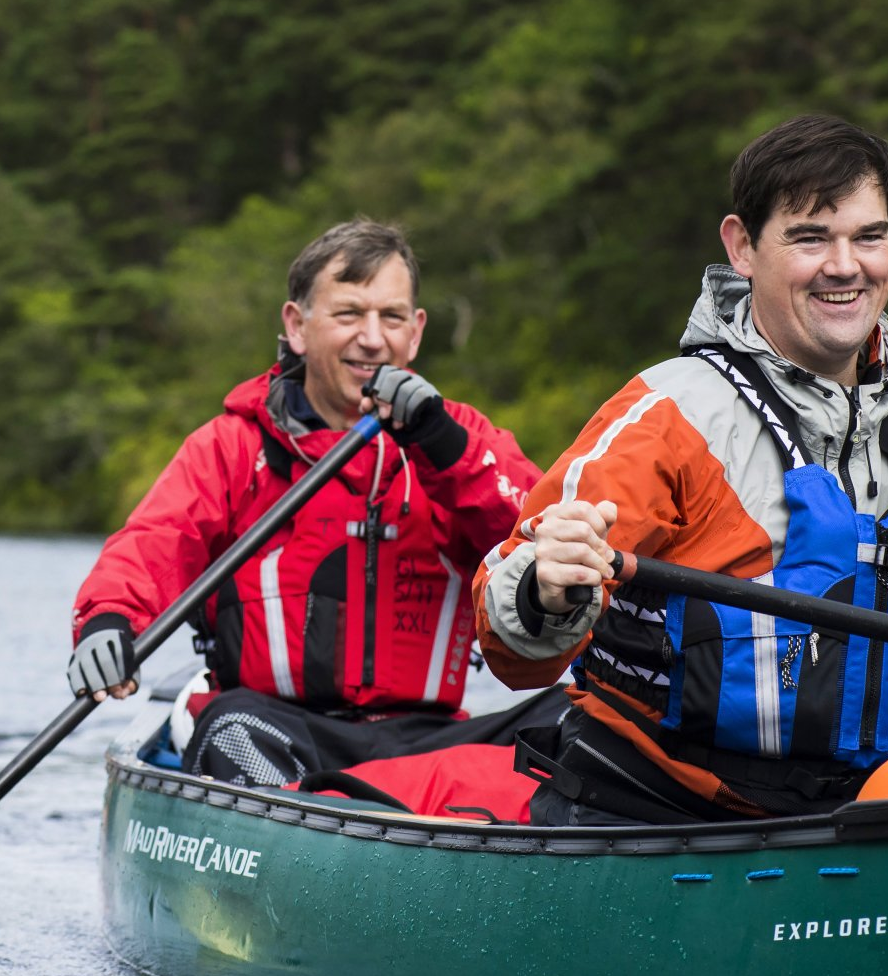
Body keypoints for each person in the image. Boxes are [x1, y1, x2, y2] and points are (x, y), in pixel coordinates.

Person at [471, 115, 888, 826]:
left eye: (869, 237)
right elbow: (509, 641)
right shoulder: (666, 418)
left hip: (846, 823)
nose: (845, 265)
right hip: (644, 811)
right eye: (811, 238)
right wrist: (548, 590)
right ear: (742, 247)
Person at [67, 219, 556, 787]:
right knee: (230, 731)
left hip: (427, 739)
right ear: (297, 326)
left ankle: (392, 814)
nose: (372, 338)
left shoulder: (462, 440)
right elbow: (153, 544)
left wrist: (444, 447)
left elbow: (543, 537)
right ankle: (315, 818)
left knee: (577, 718)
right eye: (348, 314)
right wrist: (107, 621)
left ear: (416, 332)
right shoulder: (233, 447)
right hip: (277, 730)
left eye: (391, 317)